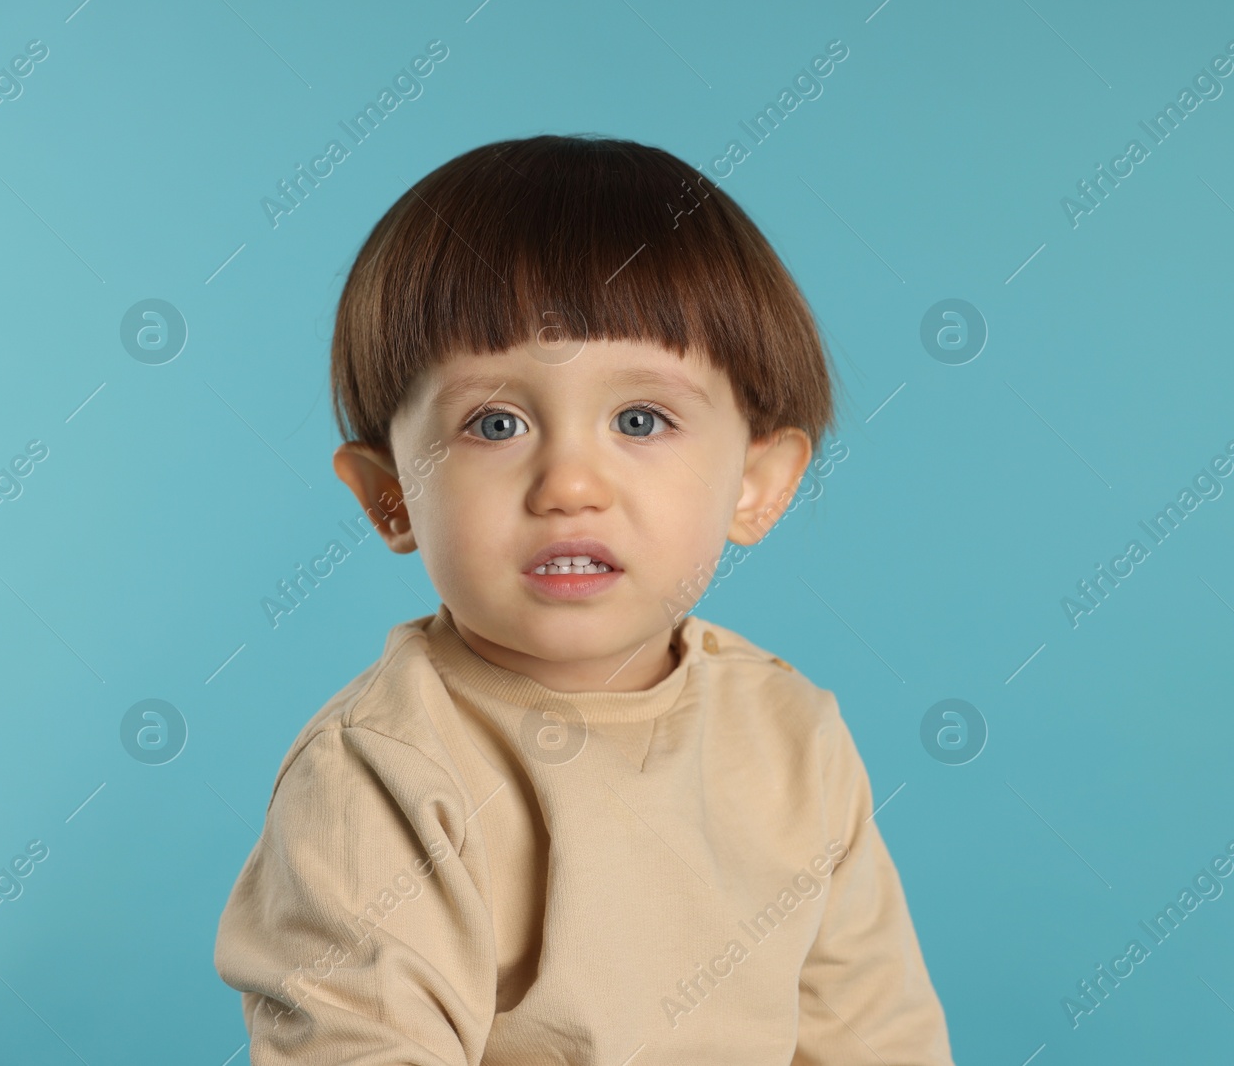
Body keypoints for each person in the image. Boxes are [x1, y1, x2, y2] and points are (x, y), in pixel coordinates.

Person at [213, 133, 955, 1064]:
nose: (569, 482)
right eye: (495, 422)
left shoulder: (792, 734)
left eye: (641, 419)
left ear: (756, 484)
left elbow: (875, 1039)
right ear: (389, 494)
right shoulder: (382, 775)